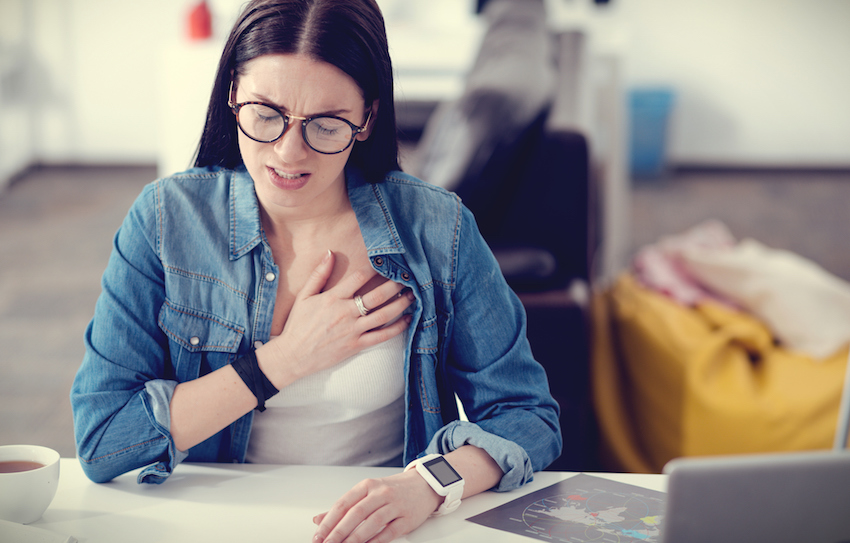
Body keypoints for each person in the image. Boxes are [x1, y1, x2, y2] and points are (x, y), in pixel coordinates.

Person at [70, 0, 562, 541]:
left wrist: (429, 485)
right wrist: (282, 361)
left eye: (325, 126)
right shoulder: (166, 221)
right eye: (265, 114)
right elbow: (104, 438)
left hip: (383, 529)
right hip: (215, 524)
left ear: (367, 118)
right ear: (232, 92)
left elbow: (525, 415)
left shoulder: (435, 228)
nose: (288, 152)